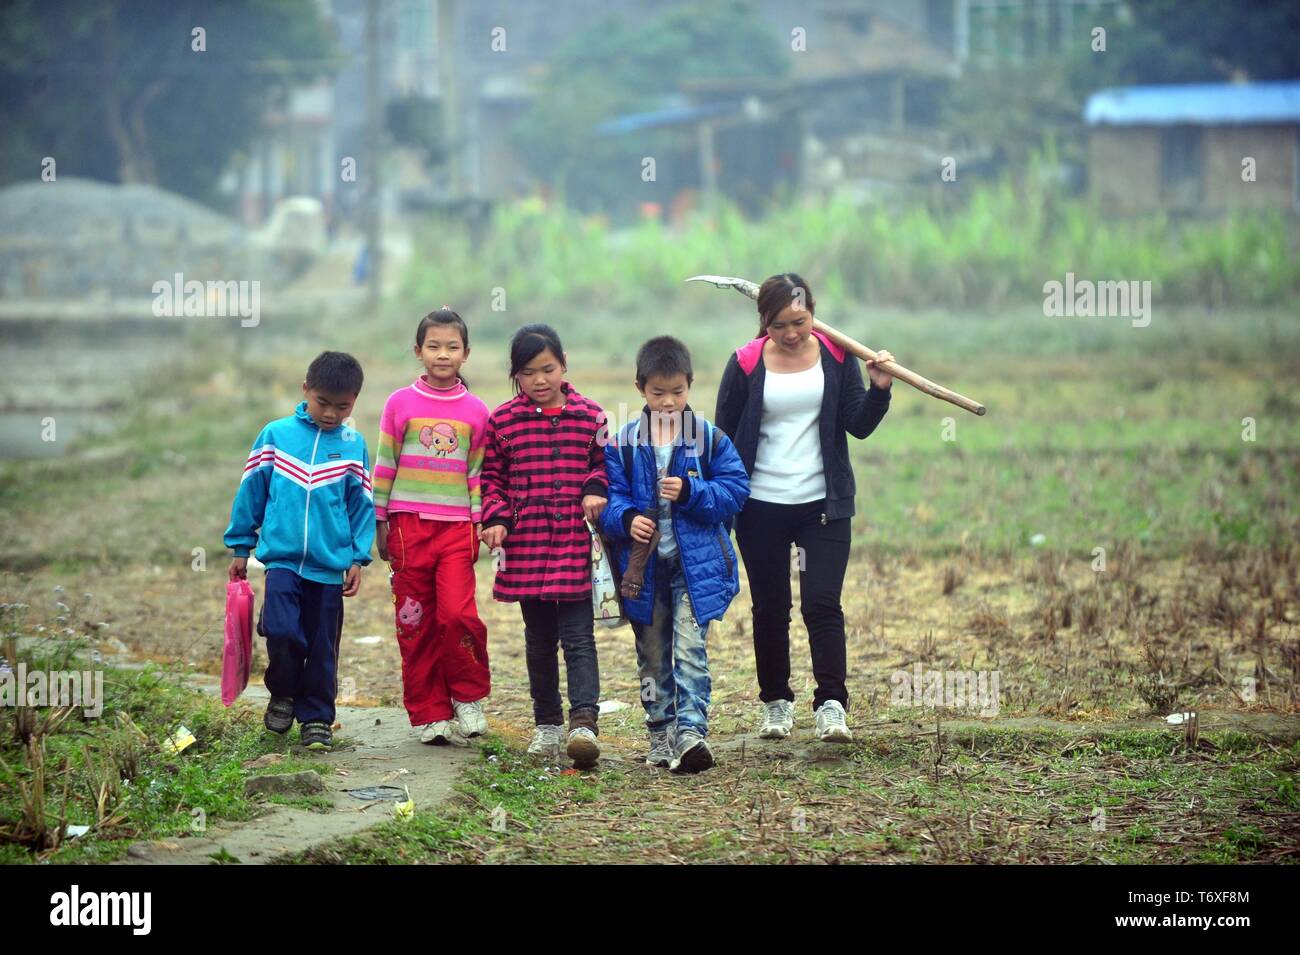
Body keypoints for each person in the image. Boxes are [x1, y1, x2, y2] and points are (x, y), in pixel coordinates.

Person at [714, 274, 895, 743]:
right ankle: (776, 704)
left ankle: (831, 706)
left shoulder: (837, 356)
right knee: (771, 609)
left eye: (799, 321)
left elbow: (858, 425)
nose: (791, 333)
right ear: (763, 324)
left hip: (823, 505)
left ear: (813, 313)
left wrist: (878, 390)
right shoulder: (745, 363)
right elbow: (724, 438)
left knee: (822, 604)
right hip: (759, 507)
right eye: (779, 326)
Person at [601, 336, 749, 772]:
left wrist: (691, 492)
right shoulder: (624, 443)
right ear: (640, 389)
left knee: (689, 650)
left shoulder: (708, 438)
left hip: (695, 569)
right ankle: (660, 732)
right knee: (651, 654)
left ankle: (691, 732)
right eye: (658, 393)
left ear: (690, 385)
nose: (668, 402)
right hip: (644, 572)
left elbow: (736, 491)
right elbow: (610, 499)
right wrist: (627, 519)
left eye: (678, 392)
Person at [225, 351, 374, 751]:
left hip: (329, 568)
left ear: (354, 402)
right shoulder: (276, 435)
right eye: (323, 401)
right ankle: (283, 693)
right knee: (282, 630)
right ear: (305, 389)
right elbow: (251, 492)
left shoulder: (352, 444)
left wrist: (359, 556)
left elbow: (361, 506)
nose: (330, 413)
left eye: (342, 406)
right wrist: (241, 545)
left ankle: (317, 718)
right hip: (283, 562)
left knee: (323, 647)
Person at [479, 324, 609, 768]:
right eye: (528, 372)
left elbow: (604, 465)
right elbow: (490, 479)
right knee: (538, 641)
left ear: (564, 364)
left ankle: (584, 724)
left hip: (573, 541)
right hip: (528, 544)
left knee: (578, 637)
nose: (539, 380)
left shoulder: (591, 417)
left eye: (548, 369)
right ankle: (547, 725)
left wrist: (594, 488)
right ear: (516, 375)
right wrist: (495, 517)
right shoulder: (502, 421)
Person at [374, 308, 491, 746]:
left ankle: (467, 696)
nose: (443, 354)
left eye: (452, 347)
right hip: (407, 529)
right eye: (434, 346)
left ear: (466, 353)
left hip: (457, 528)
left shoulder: (477, 411)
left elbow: (477, 473)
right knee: (415, 621)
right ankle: (429, 712)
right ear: (418, 350)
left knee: (458, 614)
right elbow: (384, 466)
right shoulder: (398, 404)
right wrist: (380, 521)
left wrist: (479, 524)